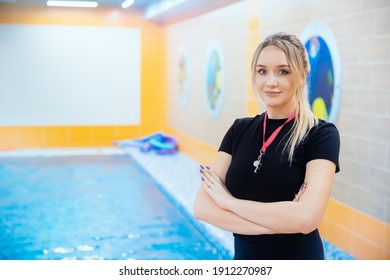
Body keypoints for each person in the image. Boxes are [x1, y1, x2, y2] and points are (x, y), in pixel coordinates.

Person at [193, 32, 340, 260]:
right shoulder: (239, 129)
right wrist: (281, 222)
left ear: (302, 75)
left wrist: (229, 203)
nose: (270, 82)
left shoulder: (320, 134)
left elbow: (307, 218)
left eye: (283, 71)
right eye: (262, 71)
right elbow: (203, 208)